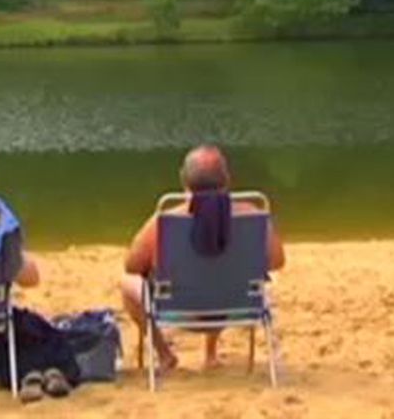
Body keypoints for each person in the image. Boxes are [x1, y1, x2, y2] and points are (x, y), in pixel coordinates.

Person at [119, 145, 285, 371]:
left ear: (183, 180)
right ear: (227, 178)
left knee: (126, 283)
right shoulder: (253, 216)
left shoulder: (166, 219)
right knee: (219, 271)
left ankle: (164, 354)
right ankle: (210, 354)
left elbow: (131, 266)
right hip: (235, 305)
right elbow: (277, 261)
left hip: (178, 309)